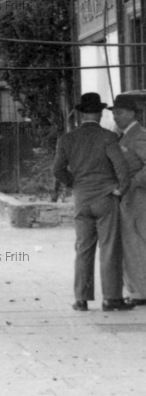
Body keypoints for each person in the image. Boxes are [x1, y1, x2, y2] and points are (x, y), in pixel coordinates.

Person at [53, 92, 132, 312]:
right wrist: (119, 190)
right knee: (109, 248)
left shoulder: (67, 139)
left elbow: (57, 170)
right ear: (98, 113)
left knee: (83, 249)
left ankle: (81, 298)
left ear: (80, 114)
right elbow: (122, 169)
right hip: (106, 198)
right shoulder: (108, 137)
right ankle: (111, 298)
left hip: (82, 198)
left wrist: (74, 185)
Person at [108, 95, 146, 306]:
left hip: (138, 197)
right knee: (129, 244)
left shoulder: (139, 136)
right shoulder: (119, 136)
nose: (116, 116)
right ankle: (134, 289)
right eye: (114, 113)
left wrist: (133, 183)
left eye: (119, 112)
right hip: (124, 197)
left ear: (132, 113)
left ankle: (141, 292)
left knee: (137, 243)